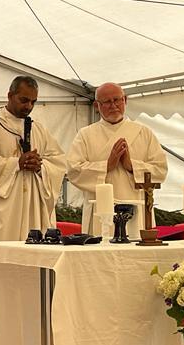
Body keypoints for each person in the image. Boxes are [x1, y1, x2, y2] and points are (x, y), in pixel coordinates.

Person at [0, 76, 66, 256]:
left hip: (32, 205)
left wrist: (40, 166)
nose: (29, 106)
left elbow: (58, 161)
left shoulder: (39, 130)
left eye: (33, 102)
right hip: (0, 207)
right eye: (24, 100)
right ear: (10, 95)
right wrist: (16, 163)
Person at [67, 82, 169, 235]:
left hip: (137, 209)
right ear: (96, 105)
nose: (113, 105)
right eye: (107, 102)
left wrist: (131, 166)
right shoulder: (85, 135)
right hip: (100, 212)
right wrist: (106, 166)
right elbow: (74, 170)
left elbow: (160, 170)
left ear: (125, 100)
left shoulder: (144, 133)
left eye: (117, 100)